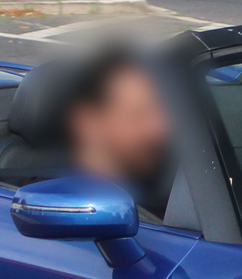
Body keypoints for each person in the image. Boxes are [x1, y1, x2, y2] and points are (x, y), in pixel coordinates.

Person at [61, 50, 175, 208]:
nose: (159, 129)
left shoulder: (176, 180)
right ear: (88, 124)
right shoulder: (59, 200)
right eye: (137, 116)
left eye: (162, 112)